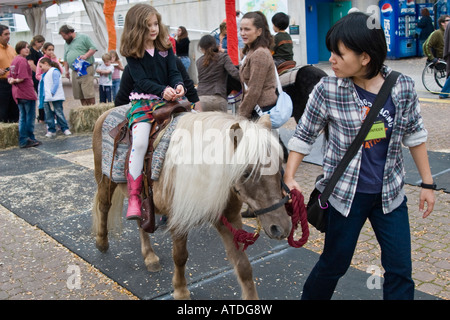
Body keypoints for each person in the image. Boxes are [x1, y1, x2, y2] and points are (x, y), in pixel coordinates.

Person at [284, 12, 435, 300]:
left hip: (390, 195)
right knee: (334, 264)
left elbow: (415, 134)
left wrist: (427, 184)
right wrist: (290, 177)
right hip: (345, 197)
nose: (332, 60)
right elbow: (303, 135)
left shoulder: (401, 87)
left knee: (400, 269)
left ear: (365, 57)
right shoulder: (328, 89)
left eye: (339, 53)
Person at [120, 3, 185, 220]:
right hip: (144, 103)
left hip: (168, 100)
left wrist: (178, 86)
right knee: (139, 143)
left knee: (193, 126)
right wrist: (162, 90)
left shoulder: (166, 48)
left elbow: (174, 72)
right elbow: (141, 81)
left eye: (155, 24)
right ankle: (134, 197)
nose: (154, 29)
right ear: (137, 28)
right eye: (148, 26)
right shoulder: (133, 54)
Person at [238, 11, 277, 120]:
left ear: (259, 31)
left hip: (261, 109)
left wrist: (242, 115)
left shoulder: (260, 54)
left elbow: (254, 90)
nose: (242, 33)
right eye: (241, 29)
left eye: (247, 29)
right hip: (256, 107)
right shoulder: (252, 51)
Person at [8, 41, 40, 148]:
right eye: (25, 48)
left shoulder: (14, 60)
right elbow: (22, 77)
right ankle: (28, 138)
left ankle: (24, 138)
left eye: (28, 48)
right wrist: (16, 80)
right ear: (19, 49)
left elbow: (10, 76)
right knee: (29, 117)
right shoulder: (22, 61)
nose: (27, 50)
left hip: (17, 92)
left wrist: (12, 80)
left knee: (22, 116)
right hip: (26, 92)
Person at [196, 34, 239, 112]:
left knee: (202, 124)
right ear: (215, 44)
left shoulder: (198, 61)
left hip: (202, 98)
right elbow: (235, 73)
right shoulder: (223, 57)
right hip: (218, 97)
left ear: (201, 48)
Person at [59, 25, 97, 106]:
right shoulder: (66, 43)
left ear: (69, 33)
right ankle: (84, 110)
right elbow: (65, 58)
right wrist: (66, 71)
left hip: (85, 68)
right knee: (79, 93)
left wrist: (85, 56)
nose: (63, 38)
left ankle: (92, 109)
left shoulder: (84, 37)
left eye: (64, 36)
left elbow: (93, 48)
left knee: (88, 92)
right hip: (75, 70)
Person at [38, 57, 71, 138]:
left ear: (46, 63)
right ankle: (51, 129)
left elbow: (56, 82)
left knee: (59, 113)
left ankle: (64, 128)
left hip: (55, 97)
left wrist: (52, 92)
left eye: (41, 66)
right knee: (48, 114)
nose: (41, 69)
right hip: (47, 98)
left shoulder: (54, 71)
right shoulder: (44, 74)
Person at [0, 24, 19, 123]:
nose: (8, 36)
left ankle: (16, 134)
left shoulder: (11, 48)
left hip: (13, 82)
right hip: (1, 83)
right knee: (2, 111)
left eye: (9, 34)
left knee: (15, 110)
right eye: (5, 34)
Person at [26, 35, 45, 122]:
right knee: (40, 95)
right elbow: (31, 64)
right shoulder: (31, 51)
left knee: (43, 95)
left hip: (39, 75)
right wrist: (38, 72)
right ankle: (41, 116)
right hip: (35, 77)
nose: (42, 45)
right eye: (41, 43)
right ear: (36, 42)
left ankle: (43, 115)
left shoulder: (38, 51)